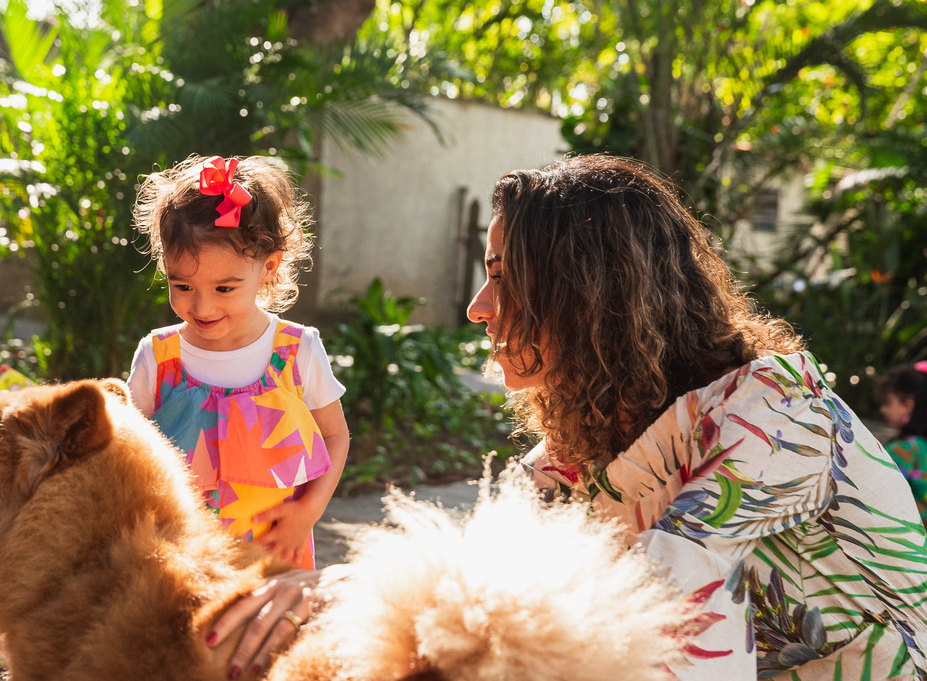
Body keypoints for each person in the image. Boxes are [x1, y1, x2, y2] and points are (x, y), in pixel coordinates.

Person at [209, 154, 927, 681]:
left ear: (593, 294)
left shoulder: (774, 420)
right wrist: (345, 591)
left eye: (503, 276)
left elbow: (663, 615)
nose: (478, 308)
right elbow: (480, 586)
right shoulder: (579, 453)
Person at [129, 155, 350, 573]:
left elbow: (335, 436)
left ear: (269, 268)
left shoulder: (297, 351)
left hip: (274, 557)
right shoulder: (158, 357)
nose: (202, 306)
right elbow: (129, 452)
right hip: (180, 560)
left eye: (224, 288)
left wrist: (308, 513)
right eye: (183, 285)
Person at [876, 361, 927, 520]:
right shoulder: (922, 446)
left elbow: (876, 493)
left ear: (907, 406)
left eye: (888, 403)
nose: (883, 410)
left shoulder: (904, 449)